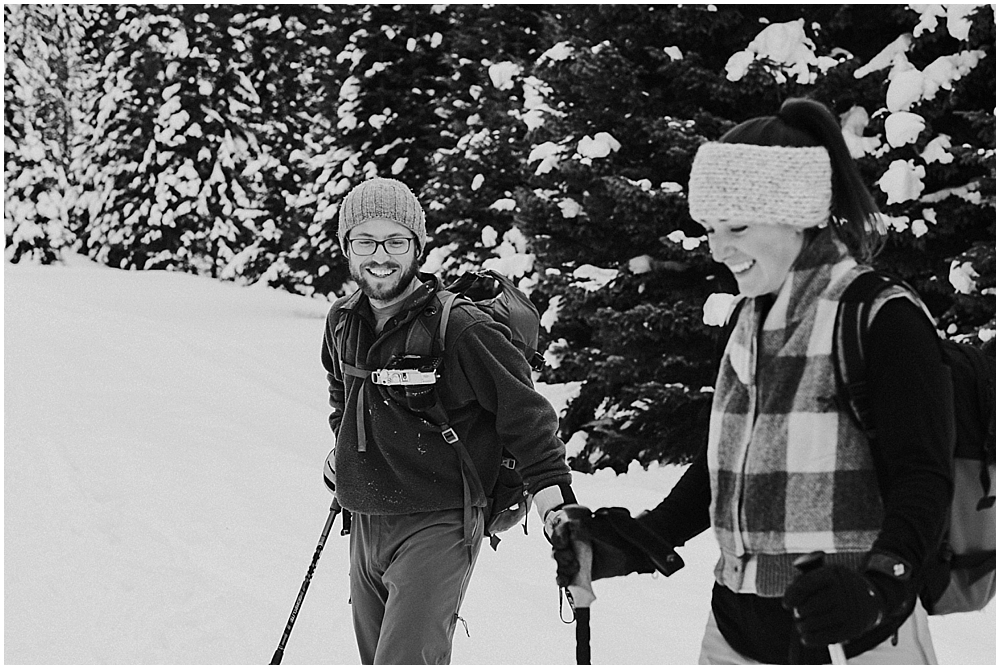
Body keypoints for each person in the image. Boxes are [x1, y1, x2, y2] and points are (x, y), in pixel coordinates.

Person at [546, 98, 953, 664]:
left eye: (737, 226)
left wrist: (881, 584)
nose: (718, 248)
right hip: (738, 625)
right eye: (711, 228)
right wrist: (641, 541)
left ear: (801, 213)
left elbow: (925, 476)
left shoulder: (880, 317)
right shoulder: (750, 316)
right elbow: (728, 462)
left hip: (851, 628)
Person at [321, 177, 576, 665]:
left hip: (440, 521)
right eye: (365, 240)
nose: (381, 255)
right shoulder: (342, 321)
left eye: (396, 240)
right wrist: (347, 449)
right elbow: (344, 394)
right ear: (346, 248)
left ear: (417, 246)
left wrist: (557, 510)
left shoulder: (462, 328)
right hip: (366, 518)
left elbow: (527, 419)